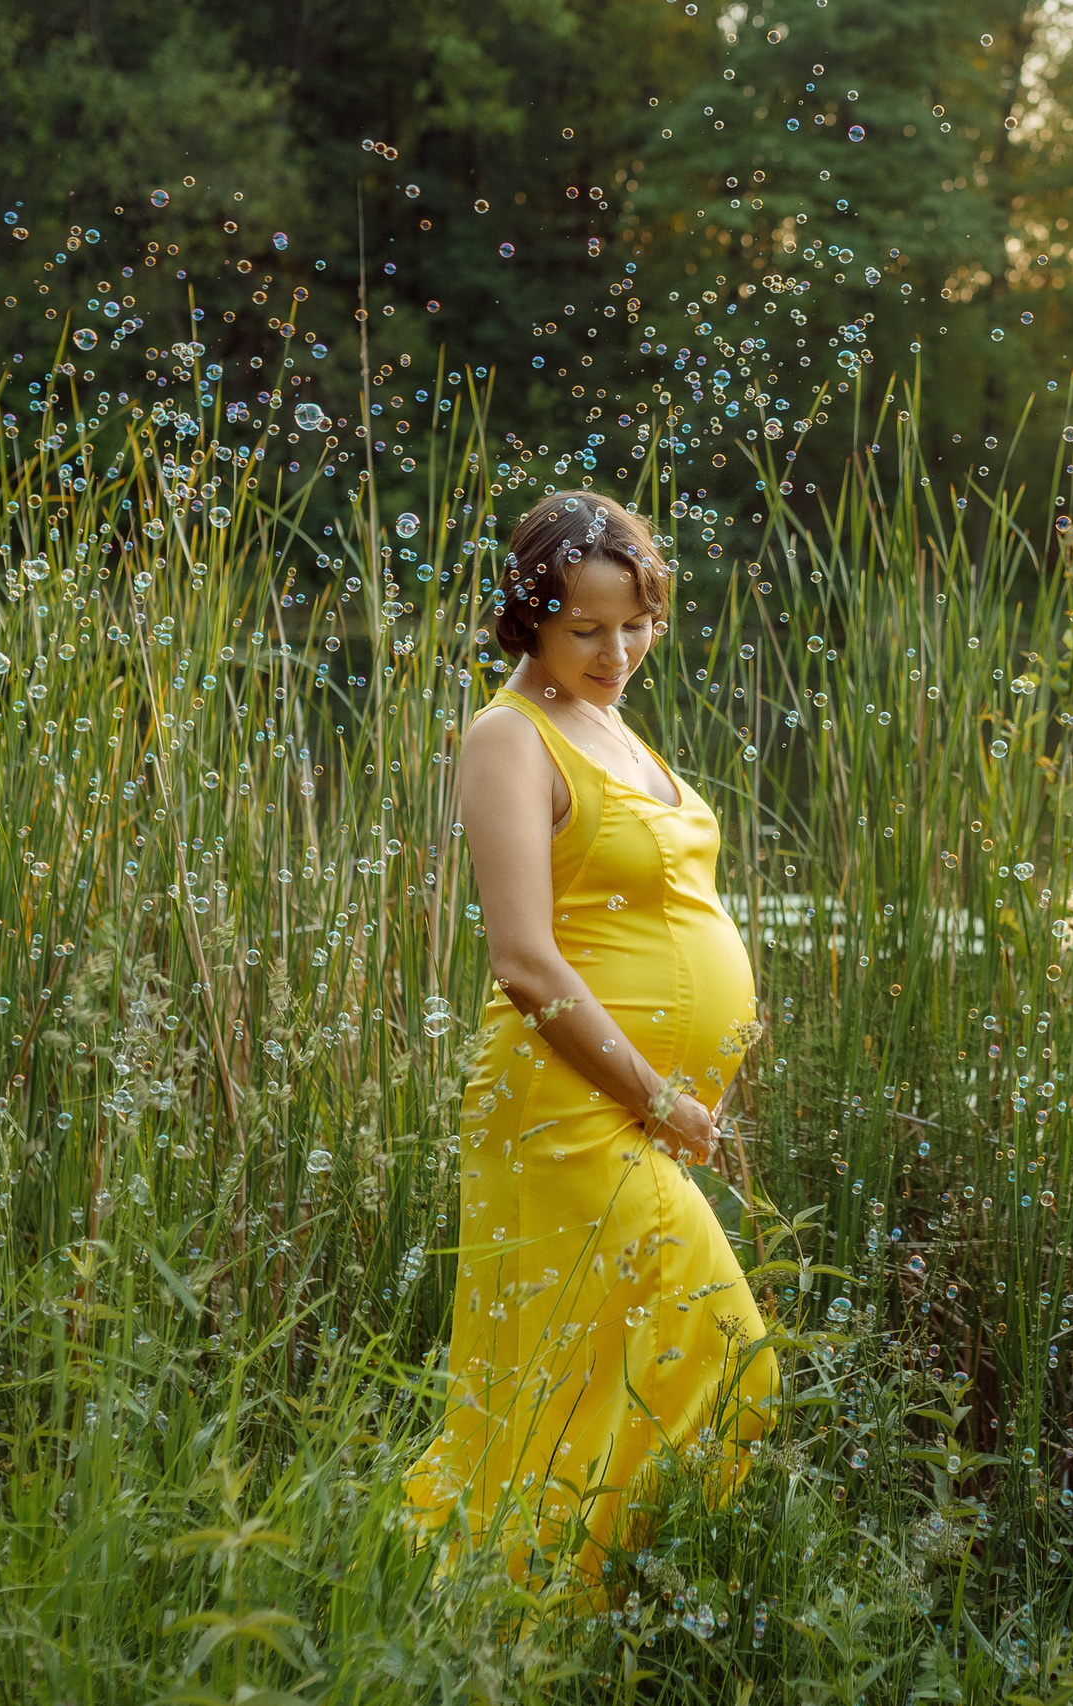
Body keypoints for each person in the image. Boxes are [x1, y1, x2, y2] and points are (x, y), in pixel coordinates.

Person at [398, 489, 778, 1602]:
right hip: (567, 1104)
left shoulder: (604, 718)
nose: (618, 652)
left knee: (594, 1371)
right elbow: (525, 960)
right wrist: (662, 1094)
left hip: (635, 1110)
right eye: (586, 629)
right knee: (723, 1347)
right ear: (528, 621)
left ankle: (548, 1605)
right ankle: (554, 1597)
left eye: (637, 624)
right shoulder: (506, 738)